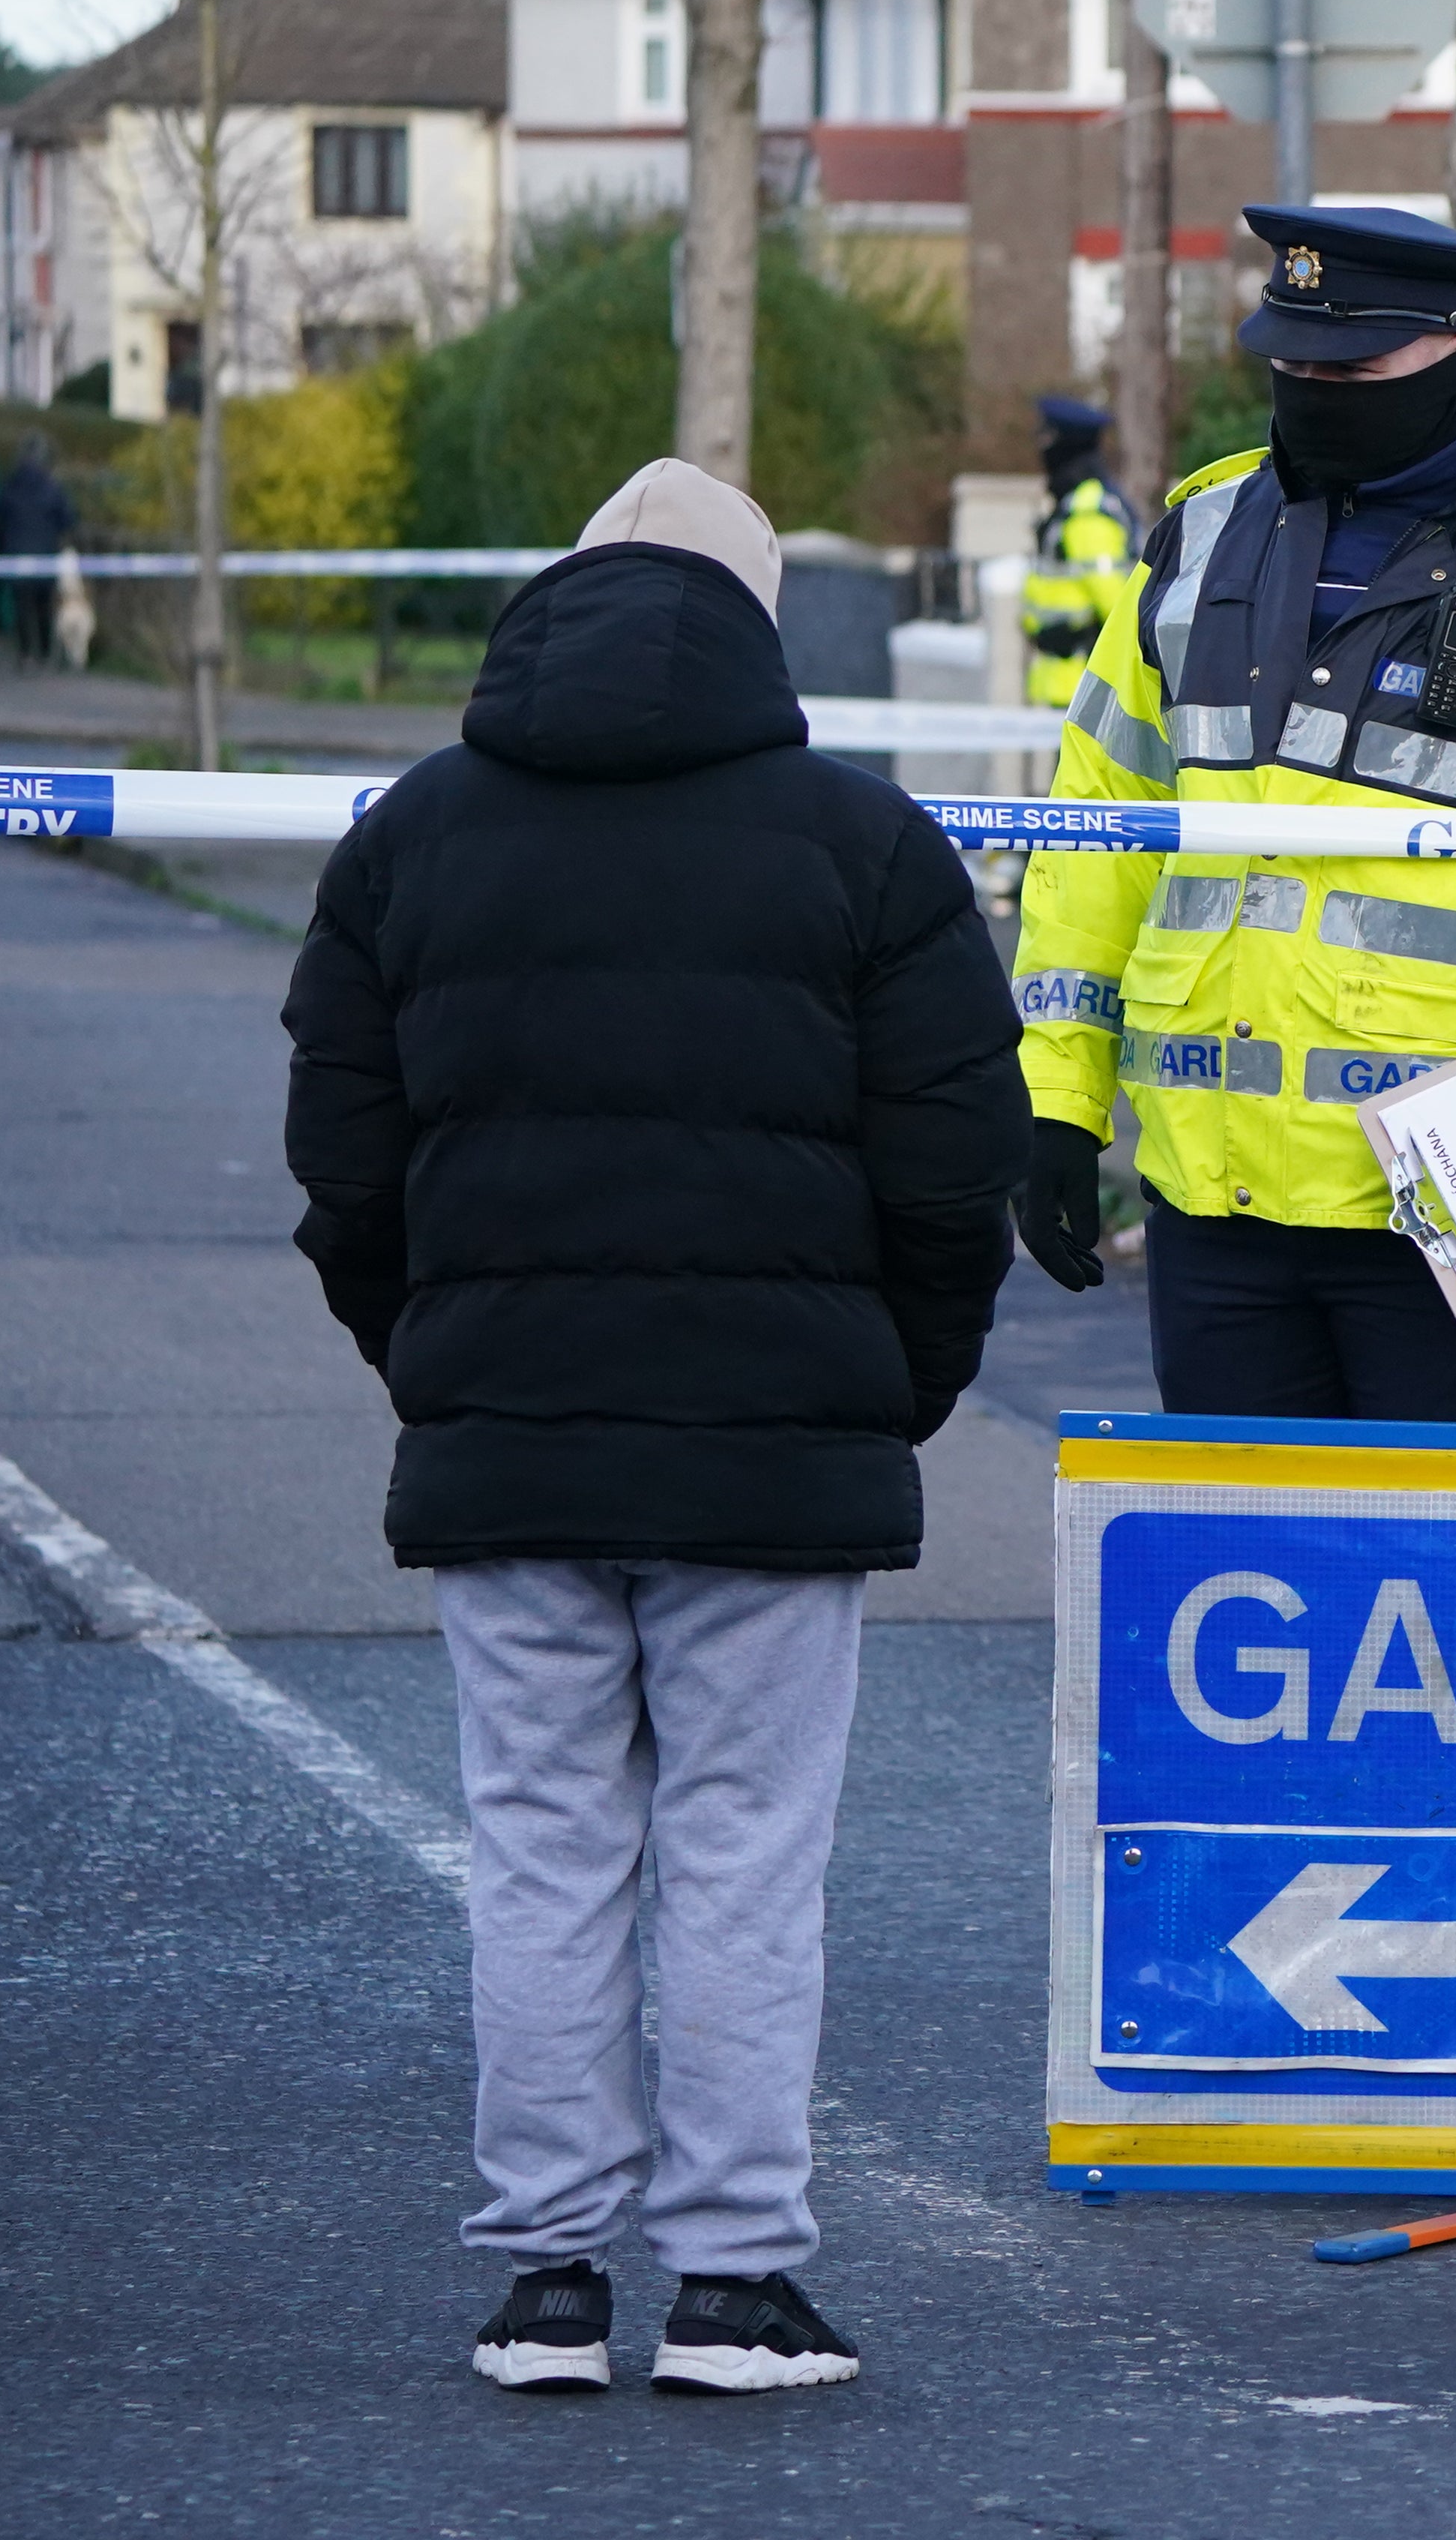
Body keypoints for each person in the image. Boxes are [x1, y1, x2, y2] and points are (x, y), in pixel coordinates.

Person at [280, 458, 1029, 2398]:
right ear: (760, 624)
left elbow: (344, 1164)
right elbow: (955, 1172)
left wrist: (434, 1355)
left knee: (541, 1852)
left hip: (508, 1445)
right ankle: (731, 2285)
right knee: (741, 1856)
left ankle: (542, 2280)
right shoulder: (868, 848)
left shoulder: (412, 837)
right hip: (778, 1456)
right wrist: (896, 1381)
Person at [1005, 204, 1456, 1420]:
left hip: (1449, 1215)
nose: (1314, 391)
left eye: (1349, 370)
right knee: (1233, 1590)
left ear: (1448, 345)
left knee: (1442, 1588)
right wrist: (1055, 1104)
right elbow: (1097, 836)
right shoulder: (1196, 541)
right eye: (1291, 366)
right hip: (1213, 1193)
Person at [1017, 394, 1132, 712]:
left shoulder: (1087, 513)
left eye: (1047, 437)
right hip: (1069, 686)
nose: (1041, 447)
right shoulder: (1071, 506)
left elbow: (1116, 604)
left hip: (1087, 690)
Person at [0, 431, 71, 665]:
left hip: (17, 555)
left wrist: (5, 542)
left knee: (22, 606)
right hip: (46, 555)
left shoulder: (10, 486)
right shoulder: (52, 488)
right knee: (44, 605)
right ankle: (44, 652)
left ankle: (26, 654)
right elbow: (67, 520)